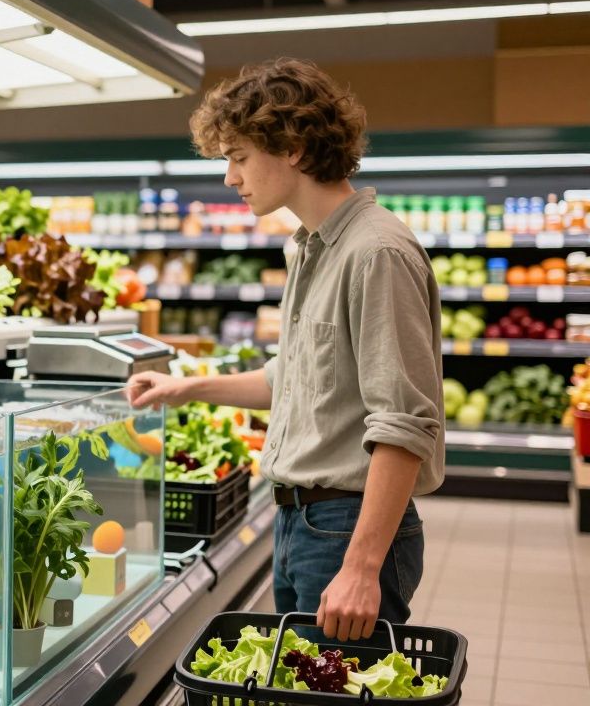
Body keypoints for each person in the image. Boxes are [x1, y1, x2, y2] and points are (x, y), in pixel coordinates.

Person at [127, 58, 444, 641]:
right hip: (299, 521)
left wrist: (361, 566)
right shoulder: (311, 249)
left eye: (239, 157)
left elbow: (405, 423)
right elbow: (291, 380)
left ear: (293, 148)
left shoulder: (376, 253)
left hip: (346, 529)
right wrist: (184, 388)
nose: (229, 176)